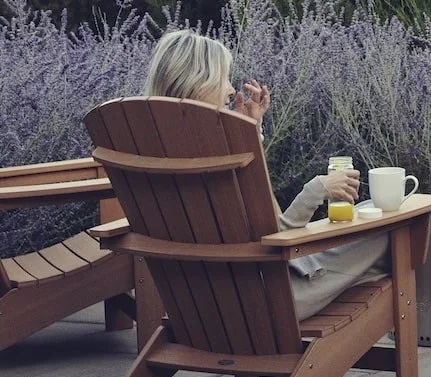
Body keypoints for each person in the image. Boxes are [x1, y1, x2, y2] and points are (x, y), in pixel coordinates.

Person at [142, 30, 389, 319]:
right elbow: (278, 234)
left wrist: (250, 135)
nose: (230, 91)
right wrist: (317, 188)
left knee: (367, 213)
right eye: (222, 79)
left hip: (197, 305)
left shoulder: (150, 152)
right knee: (387, 232)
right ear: (198, 84)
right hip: (265, 301)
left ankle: (349, 281)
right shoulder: (217, 159)